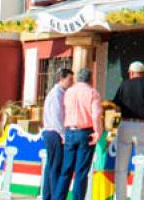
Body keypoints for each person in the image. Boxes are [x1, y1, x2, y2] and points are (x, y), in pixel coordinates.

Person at [54, 68, 103, 200]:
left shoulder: (68, 92)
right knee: (81, 172)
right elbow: (96, 115)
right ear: (91, 79)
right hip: (85, 132)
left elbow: (64, 110)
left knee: (66, 170)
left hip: (70, 131)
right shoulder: (93, 92)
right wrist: (98, 132)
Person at [112, 61, 144, 200]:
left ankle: (120, 196)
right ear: (143, 73)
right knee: (142, 162)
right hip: (142, 125)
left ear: (131, 73)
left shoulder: (123, 84)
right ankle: (140, 196)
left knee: (121, 165)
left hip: (125, 125)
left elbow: (116, 107)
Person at [42, 68, 74, 200]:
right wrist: (63, 135)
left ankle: (48, 195)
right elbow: (57, 117)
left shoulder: (61, 93)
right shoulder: (56, 94)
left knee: (51, 166)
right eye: (69, 79)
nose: (71, 82)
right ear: (62, 79)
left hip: (53, 132)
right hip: (54, 133)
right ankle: (55, 195)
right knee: (55, 166)